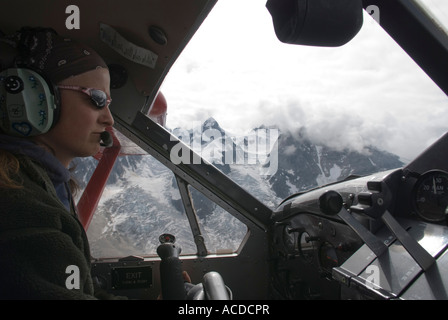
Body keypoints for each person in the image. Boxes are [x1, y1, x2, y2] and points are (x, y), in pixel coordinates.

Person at [0, 27, 115, 299]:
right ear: (30, 95)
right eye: (97, 99)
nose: (109, 119)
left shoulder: (39, 183)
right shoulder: (16, 203)